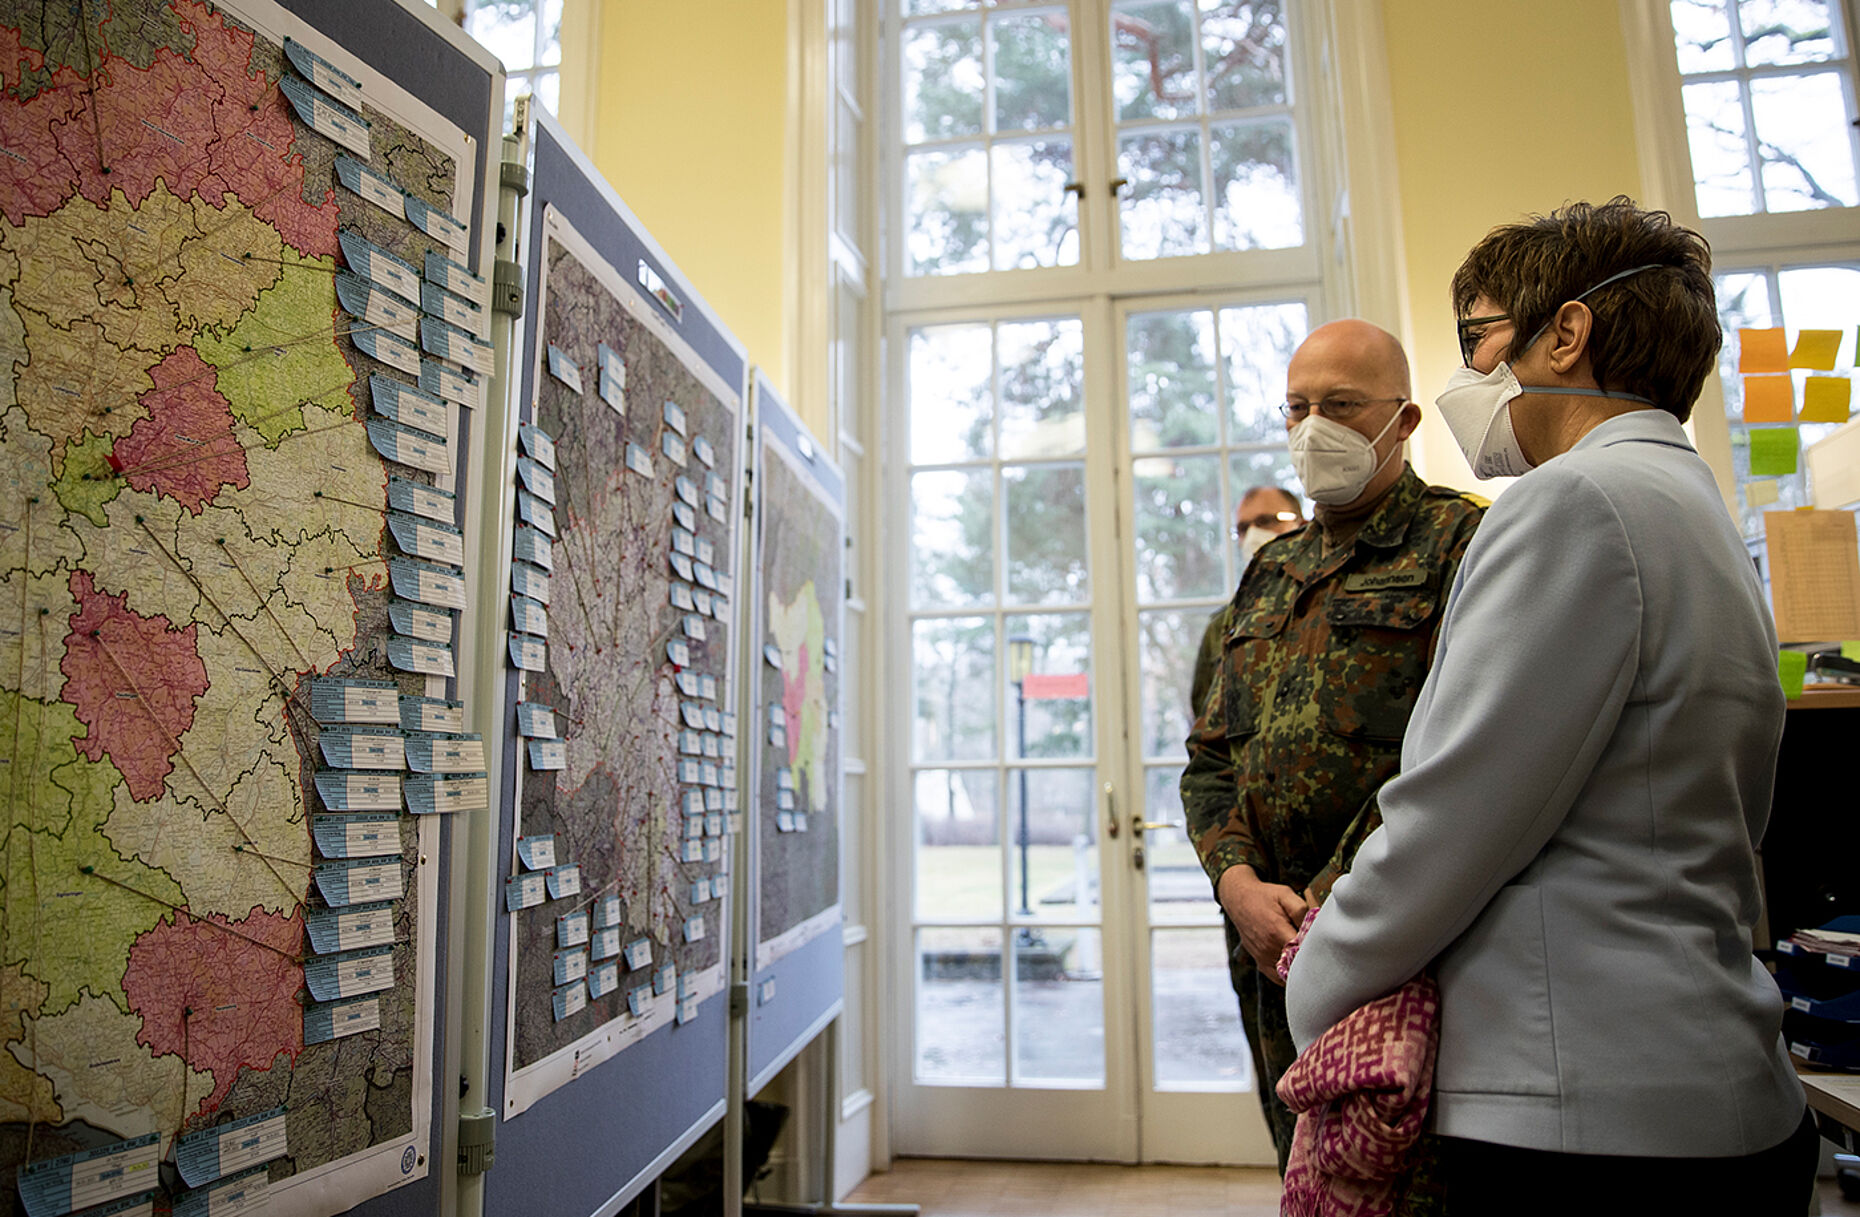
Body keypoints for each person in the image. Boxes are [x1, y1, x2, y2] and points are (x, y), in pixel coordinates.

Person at [1283, 198, 1815, 1214]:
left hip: (1585, 1107)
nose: (1468, 380)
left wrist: (1319, 978)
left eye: (1476, 337)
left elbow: (1454, 816)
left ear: (1565, 333)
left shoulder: (1573, 504)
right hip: (1710, 1082)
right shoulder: (1695, 506)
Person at [1180, 319, 1484, 1174]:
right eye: (1299, 407)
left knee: (1397, 1182)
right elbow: (1210, 760)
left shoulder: (1466, 545)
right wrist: (1238, 883)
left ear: (1406, 419)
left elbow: (1463, 757)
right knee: (1306, 1174)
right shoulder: (1268, 573)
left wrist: (1320, 906)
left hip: (1396, 950)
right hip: (1265, 948)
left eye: (1343, 405)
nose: (1316, 426)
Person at [1187, 485, 1305, 721]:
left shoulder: (1327, 601)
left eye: (1265, 521)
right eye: (1243, 528)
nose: (1253, 535)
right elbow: (1205, 723)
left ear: (1301, 525)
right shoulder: (1223, 626)